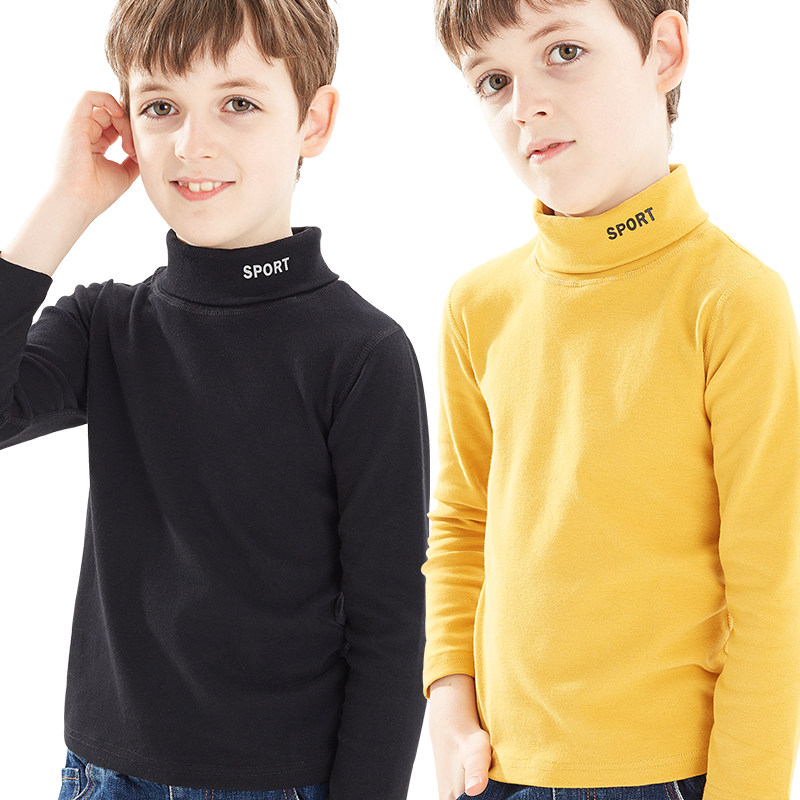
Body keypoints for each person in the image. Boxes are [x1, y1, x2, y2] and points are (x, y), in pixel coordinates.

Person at [0, 0, 429, 798]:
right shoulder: (106, 325)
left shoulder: (363, 354)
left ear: (313, 121)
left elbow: (393, 630)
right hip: (100, 775)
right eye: (161, 107)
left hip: (277, 783)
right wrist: (65, 202)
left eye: (237, 103)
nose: (192, 144)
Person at [421, 2, 800, 800]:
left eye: (562, 52)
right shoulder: (477, 306)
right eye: (493, 80)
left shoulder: (733, 301)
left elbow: (772, 595)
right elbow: (461, 527)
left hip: (667, 780)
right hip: (495, 772)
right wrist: (449, 704)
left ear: (663, 52)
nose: (525, 106)